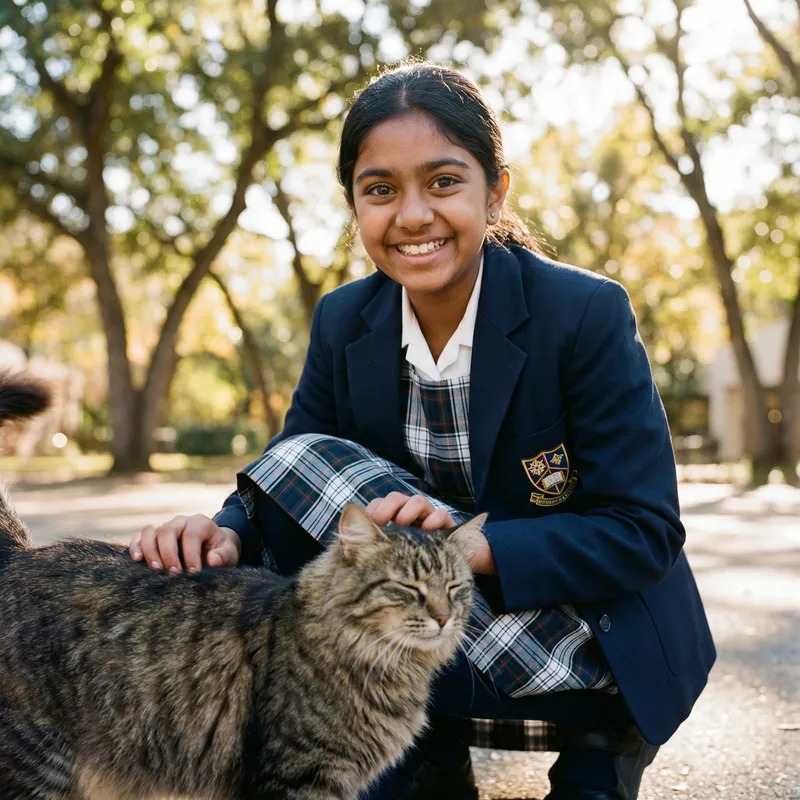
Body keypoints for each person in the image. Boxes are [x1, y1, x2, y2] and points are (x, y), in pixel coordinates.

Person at [130, 62, 715, 800]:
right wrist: (223, 532)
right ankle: (428, 740)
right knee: (312, 466)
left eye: (442, 182)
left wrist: (471, 546)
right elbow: (293, 467)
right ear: (354, 205)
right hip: (414, 624)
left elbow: (643, 530)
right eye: (380, 190)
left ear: (495, 189)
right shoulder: (344, 320)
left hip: (579, 621)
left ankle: (603, 738)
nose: (411, 216)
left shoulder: (584, 313)